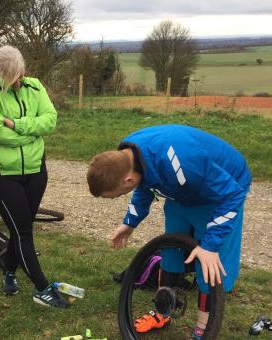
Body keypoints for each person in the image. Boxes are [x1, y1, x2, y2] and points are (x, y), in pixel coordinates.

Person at [87, 124, 251, 339]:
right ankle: (162, 312)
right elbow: (144, 184)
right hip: (183, 189)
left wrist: (210, 246)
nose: (120, 196)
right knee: (171, 253)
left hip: (220, 193)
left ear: (127, 181)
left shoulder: (182, 163)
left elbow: (232, 195)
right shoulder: (130, 156)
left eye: (117, 195)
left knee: (208, 265)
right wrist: (130, 222)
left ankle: (203, 330)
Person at [0, 45, 67, 307]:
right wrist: (32, 133)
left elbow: (50, 120)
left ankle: (8, 273)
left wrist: (17, 125)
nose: (16, 81)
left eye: (19, 74)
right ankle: (42, 288)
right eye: (10, 76)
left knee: (20, 230)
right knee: (24, 233)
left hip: (37, 172)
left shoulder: (36, 86)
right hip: (5, 176)